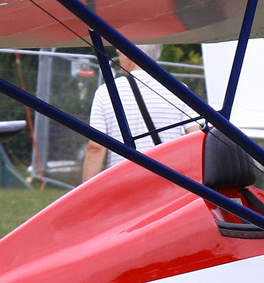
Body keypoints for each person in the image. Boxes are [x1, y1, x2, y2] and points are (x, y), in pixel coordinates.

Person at [80, 44, 196, 182]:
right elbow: (196, 137)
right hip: (167, 182)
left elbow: (96, 148)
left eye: (121, 49)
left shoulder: (106, 92)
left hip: (123, 181)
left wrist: (87, 195)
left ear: (130, 53)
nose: (117, 50)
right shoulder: (179, 89)